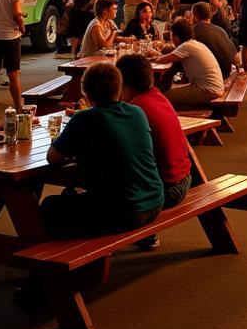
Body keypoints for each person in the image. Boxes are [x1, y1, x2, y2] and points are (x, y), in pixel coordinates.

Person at [41, 62, 163, 237]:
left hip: (125, 211)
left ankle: (61, 257)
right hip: (154, 202)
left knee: (49, 206)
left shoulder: (84, 118)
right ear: (119, 89)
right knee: (70, 193)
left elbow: (52, 157)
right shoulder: (137, 112)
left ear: (85, 93)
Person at [118, 54, 193, 250]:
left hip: (167, 189)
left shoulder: (136, 109)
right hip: (184, 178)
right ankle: (146, 234)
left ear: (122, 83)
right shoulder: (157, 96)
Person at [159, 19, 225, 108]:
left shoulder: (185, 47)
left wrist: (152, 54)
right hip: (214, 87)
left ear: (177, 37)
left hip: (207, 90)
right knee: (169, 92)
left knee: (161, 97)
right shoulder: (196, 44)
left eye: (171, 36)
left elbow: (161, 60)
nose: (171, 40)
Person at [192, 1, 237, 79]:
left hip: (214, 75)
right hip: (226, 71)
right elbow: (233, 54)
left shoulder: (194, 31)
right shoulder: (220, 29)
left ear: (195, 16)